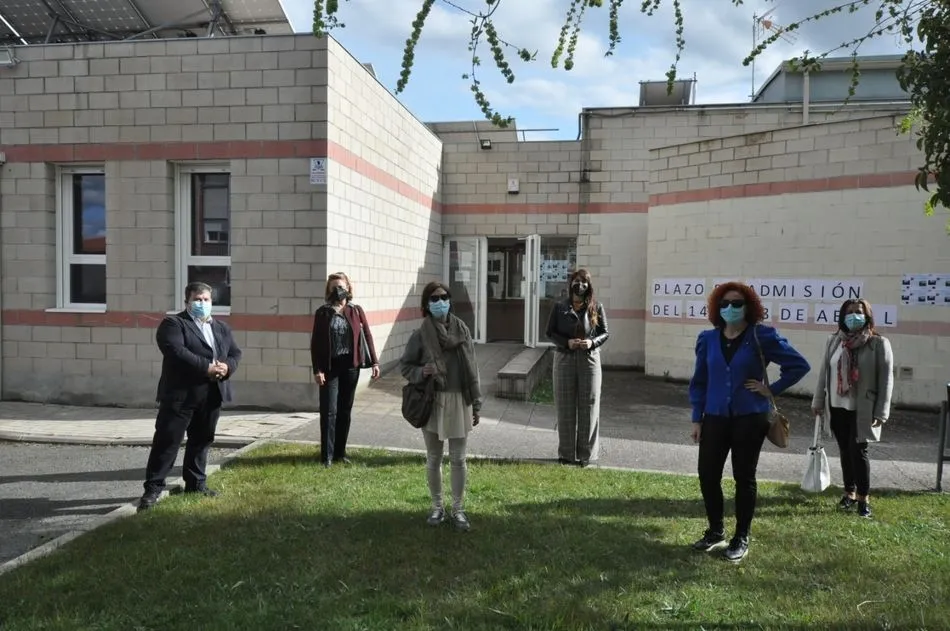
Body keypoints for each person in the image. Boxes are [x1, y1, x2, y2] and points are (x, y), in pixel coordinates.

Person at [688, 281, 810, 562]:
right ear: (717, 308)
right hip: (715, 418)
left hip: (750, 418)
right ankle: (716, 530)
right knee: (708, 475)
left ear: (749, 307)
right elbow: (699, 382)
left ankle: (741, 535)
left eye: (737, 303)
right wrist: (697, 418)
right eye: (725, 304)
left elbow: (799, 365)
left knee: (744, 477)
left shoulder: (761, 336)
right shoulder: (707, 339)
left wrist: (772, 388)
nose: (730, 308)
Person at [138, 282, 242, 511]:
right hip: (180, 396)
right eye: (197, 299)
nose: (202, 304)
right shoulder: (174, 324)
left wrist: (226, 368)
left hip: (211, 394)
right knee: (167, 442)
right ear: (187, 302)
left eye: (206, 300)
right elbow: (176, 352)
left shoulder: (221, 328)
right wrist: (207, 367)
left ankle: (196, 483)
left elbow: (235, 353)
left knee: (202, 441)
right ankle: (153, 489)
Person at [400, 281, 482, 531]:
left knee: (458, 459)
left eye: (444, 297)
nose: (440, 302)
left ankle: (458, 509)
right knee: (434, 457)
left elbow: (472, 367)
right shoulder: (420, 334)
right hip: (433, 400)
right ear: (426, 304)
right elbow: (406, 366)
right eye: (434, 299)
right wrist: (421, 371)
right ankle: (437, 507)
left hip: (459, 399)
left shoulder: (462, 330)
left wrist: (476, 403)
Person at [811, 298, 894, 519]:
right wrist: (818, 401)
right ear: (842, 316)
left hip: (863, 408)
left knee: (859, 452)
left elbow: (886, 380)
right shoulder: (833, 341)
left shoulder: (878, 344)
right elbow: (824, 374)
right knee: (845, 451)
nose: (854, 316)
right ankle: (849, 492)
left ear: (867, 316)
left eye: (858, 312)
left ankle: (863, 498)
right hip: (837, 406)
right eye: (849, 312)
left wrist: (881, 412)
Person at [310, 272, 381, 467]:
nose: (338, 290)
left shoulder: (356, 310)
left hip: (351, 366)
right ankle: (327, 456)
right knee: (328, 411)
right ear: (329, 290)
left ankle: (340, 453)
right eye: (334, 287)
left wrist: (375, 362)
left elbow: (367, 334)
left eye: (341, 286)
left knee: (344, 410)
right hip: (330, 367)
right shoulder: (323, 313)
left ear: (348, 288)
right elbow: (315, 343)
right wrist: (318, 370)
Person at [545, 269, 609, 467]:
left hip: (589, 360)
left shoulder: (596, 307)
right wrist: (567, 343)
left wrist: (591, 343)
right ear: (570, 283)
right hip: (564, 359)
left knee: (589, 405)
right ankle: (566, 454)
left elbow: (605, 333)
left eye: (584, 282)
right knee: (565, 406)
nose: (579, 285)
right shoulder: (560, 307)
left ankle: (586, 455)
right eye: (576, 281)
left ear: (588, 286)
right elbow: (550, 332)